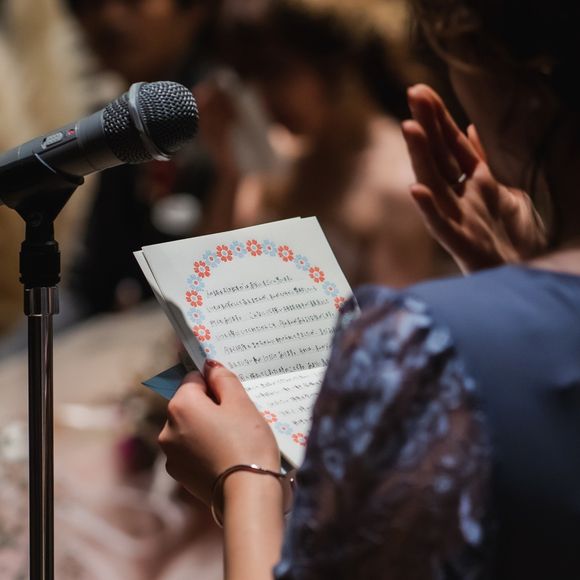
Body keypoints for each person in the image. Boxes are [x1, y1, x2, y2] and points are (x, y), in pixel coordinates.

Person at [157, 0, 580, 579]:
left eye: (457, 63)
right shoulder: (285, 167)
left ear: (520, 92)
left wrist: (242, 478)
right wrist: (516, 281)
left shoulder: (412, 336)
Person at [202, 0, 453, 287]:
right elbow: (216, 277)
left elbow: (390, 314)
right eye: (252, 78)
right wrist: (230, 172)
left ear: (336, 66)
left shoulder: (397, 183)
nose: (264, 97)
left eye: (276, 71)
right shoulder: (277, 158)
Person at [66, 0, 220, 316]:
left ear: (194, 9)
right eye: (86, 4)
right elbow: (94, 282)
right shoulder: (121, 122)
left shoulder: (237, 110)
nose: (109, 17)